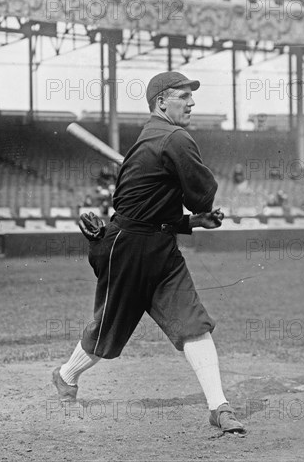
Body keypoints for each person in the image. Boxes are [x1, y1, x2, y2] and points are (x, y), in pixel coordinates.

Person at [52, 72, 245, 434]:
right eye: (183, 96)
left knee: (192, 323)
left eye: (192, 96)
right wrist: (198, 204)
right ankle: (65, 375)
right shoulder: (174, 137)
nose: (191, 103)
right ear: (161, 102)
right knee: (108, 331)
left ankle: (218, 406)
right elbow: (201, 194)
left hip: (159, 247)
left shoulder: (154, 136)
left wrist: (192, 223)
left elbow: (155, 207)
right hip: (129, 249)